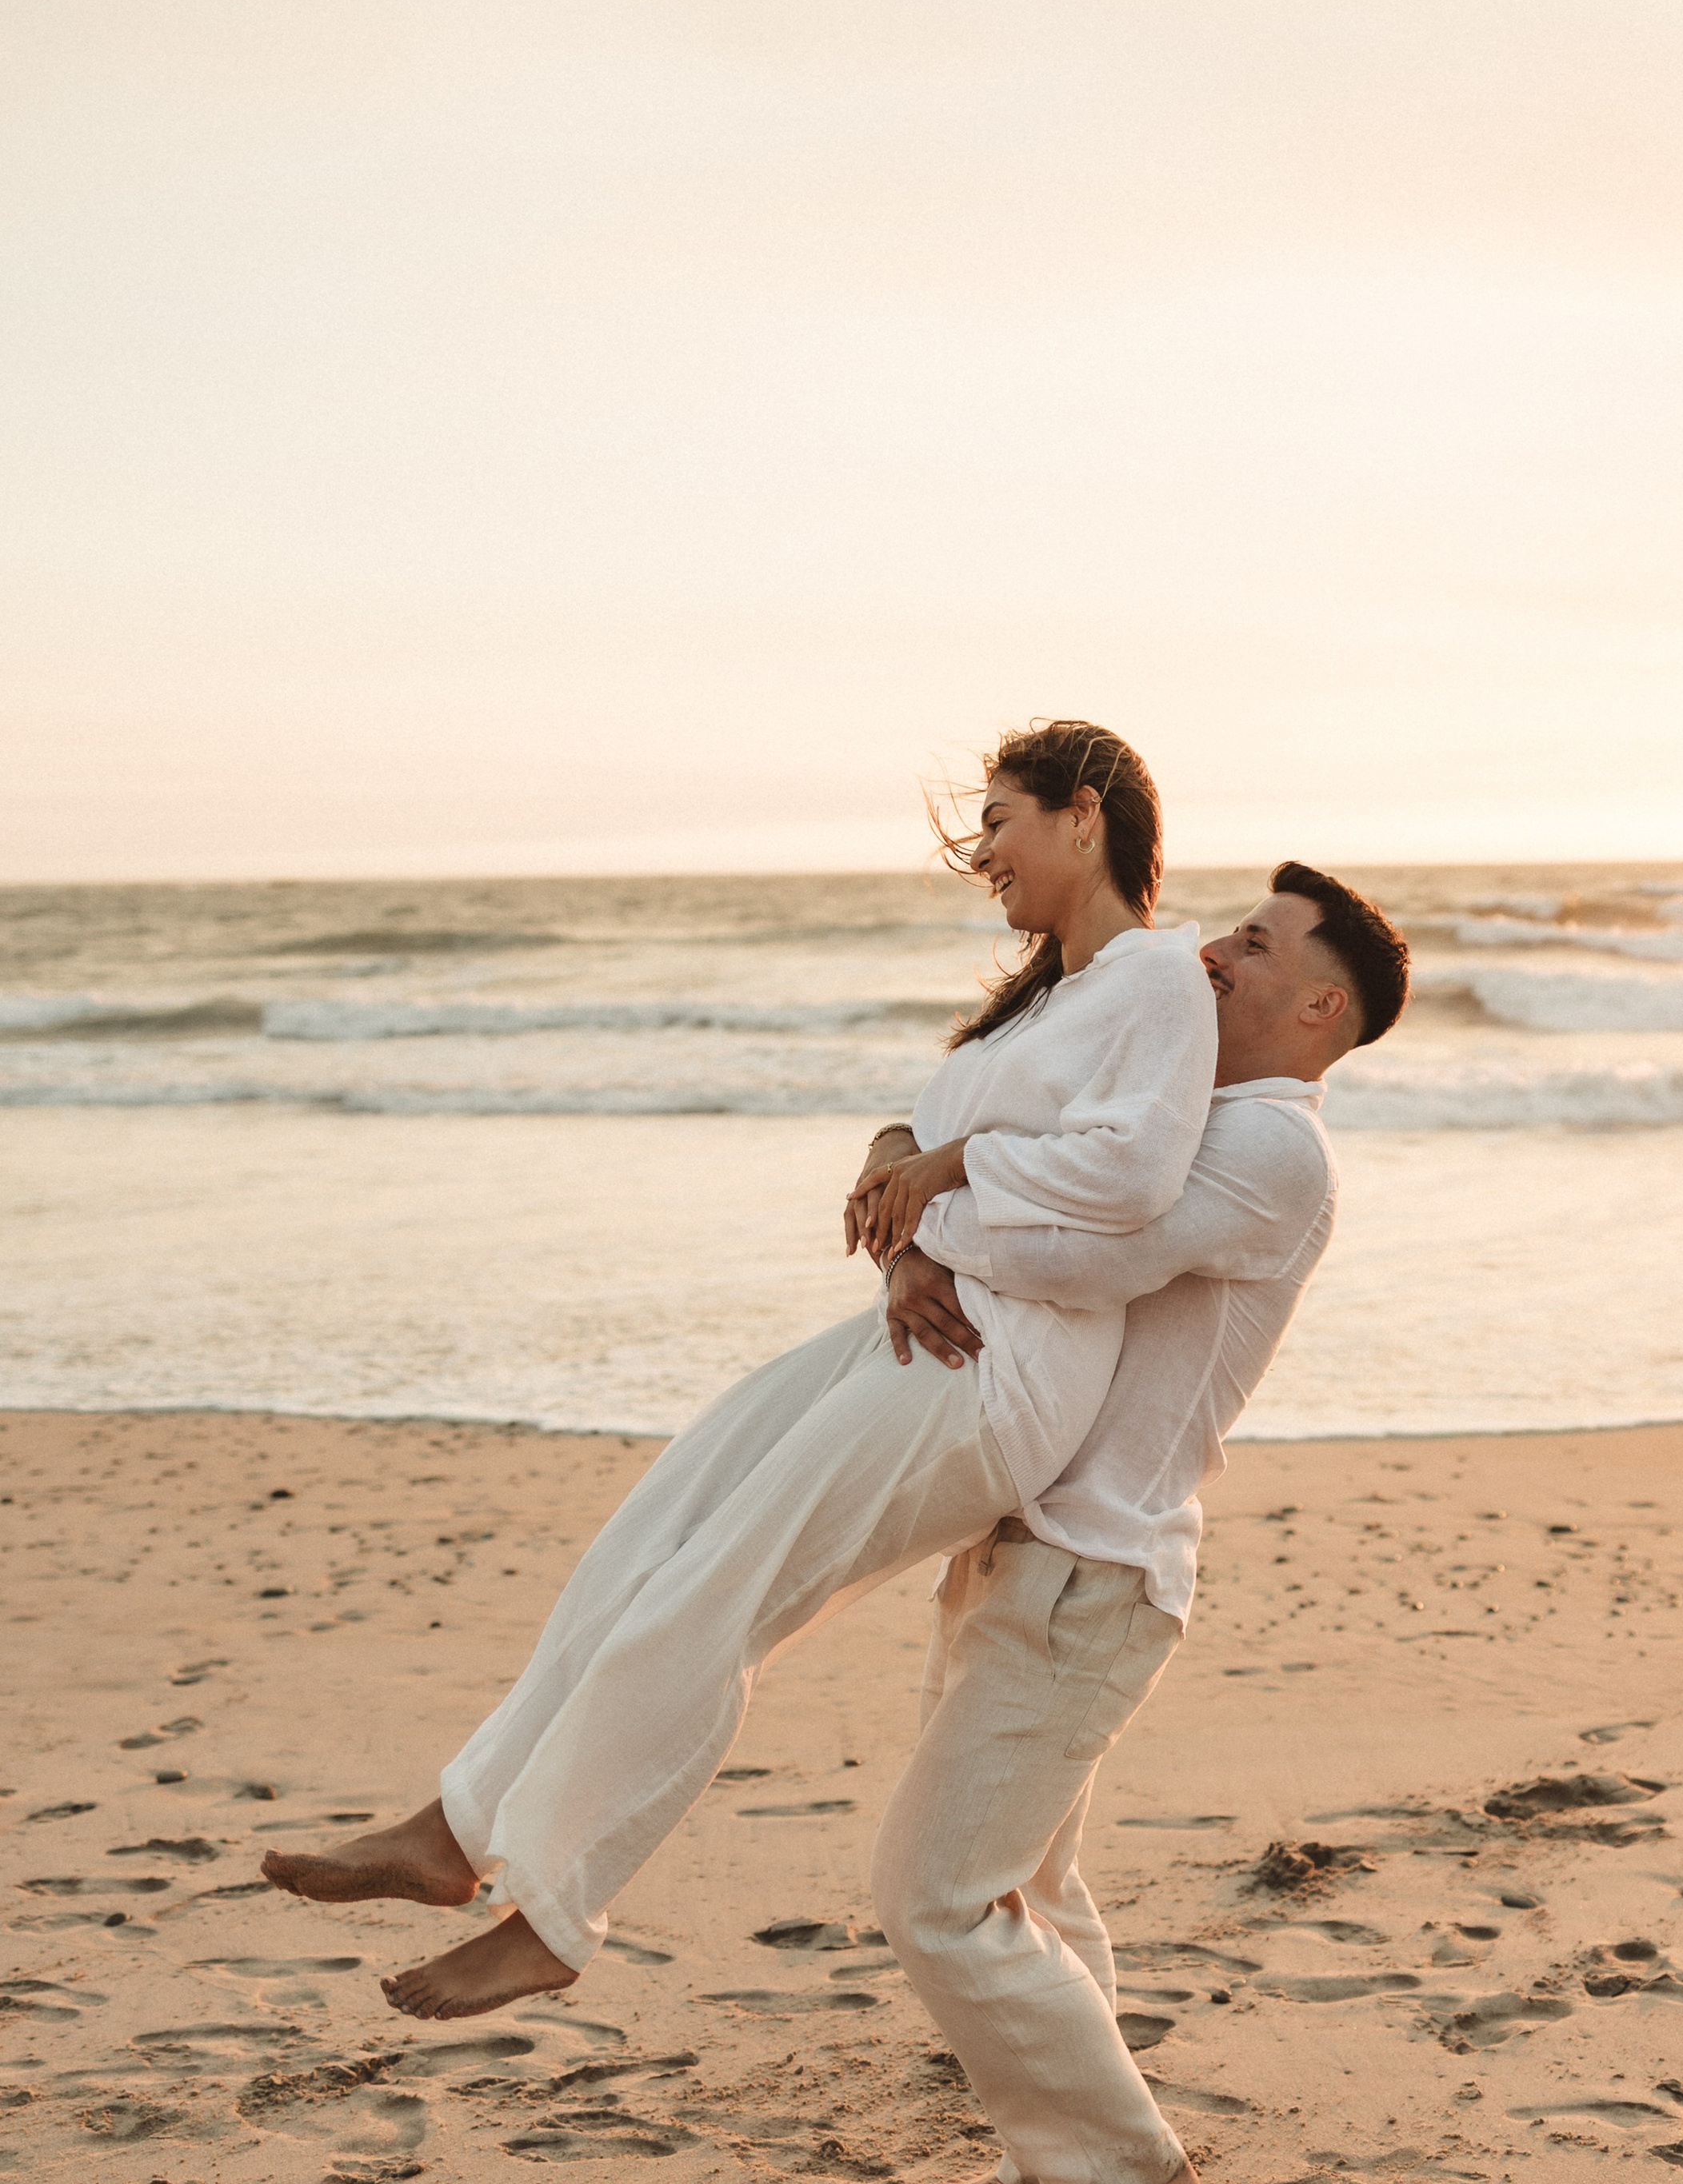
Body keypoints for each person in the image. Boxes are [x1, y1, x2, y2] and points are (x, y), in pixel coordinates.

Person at [260, 721, 1219, 2020]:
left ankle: (552, 1906)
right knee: (654, 1533)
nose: (981, 854)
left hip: (1002, 1373)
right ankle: (458, 1825)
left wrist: (945, 1177)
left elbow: (1130, 1176)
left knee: (719, 1592)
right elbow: (912, 1139)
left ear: (1085, 814)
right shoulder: (1050, 992)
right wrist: (905, 1217)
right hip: (925, 1325)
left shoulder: (1160, 981)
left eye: (999, 822)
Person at [867, 864, 1410, 2184]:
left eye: (1259, 942)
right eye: (1232, 925)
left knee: (935, 1894)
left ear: (1321, 1003)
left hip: (1092, 1571)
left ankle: (1127, 2175)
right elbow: (975, 1152)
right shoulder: (1179, 1110)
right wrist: (910, 1225)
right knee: (1033, 1893)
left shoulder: (1273, 1148)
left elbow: (1071, 1259)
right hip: (1026, 1547)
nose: (1218, 950)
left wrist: (925, 1208)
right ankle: (1060, 2155)